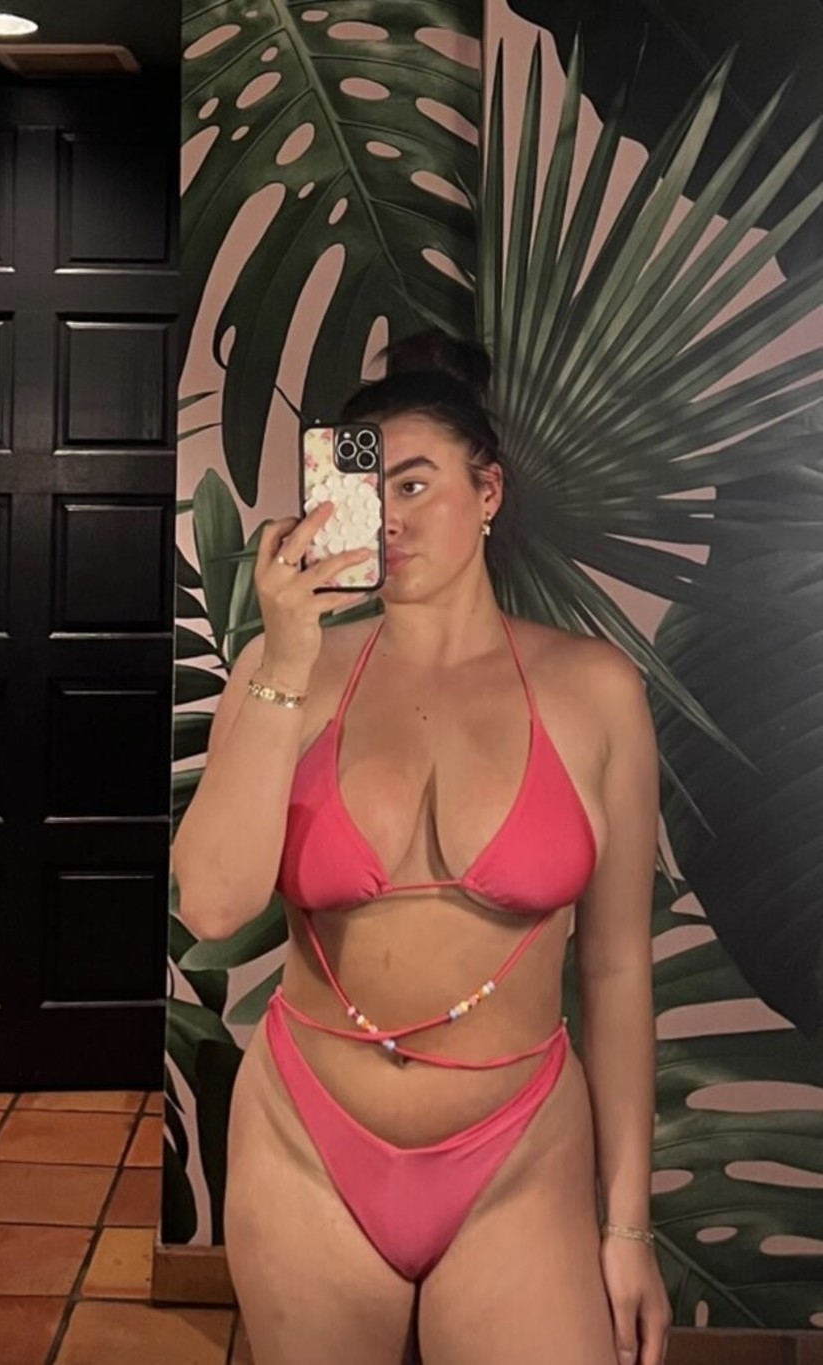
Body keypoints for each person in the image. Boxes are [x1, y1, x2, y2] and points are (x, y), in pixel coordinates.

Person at [173, 330, 672, 1365]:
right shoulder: (288, 671)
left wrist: (627, 1227)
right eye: (367, 490)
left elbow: (618, 968)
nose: (390, 518)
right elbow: (213, 906)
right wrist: (284, 660)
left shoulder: (594, 691)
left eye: (415, 484)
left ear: (488, 492)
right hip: (307, 1141)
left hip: (519, 1151)